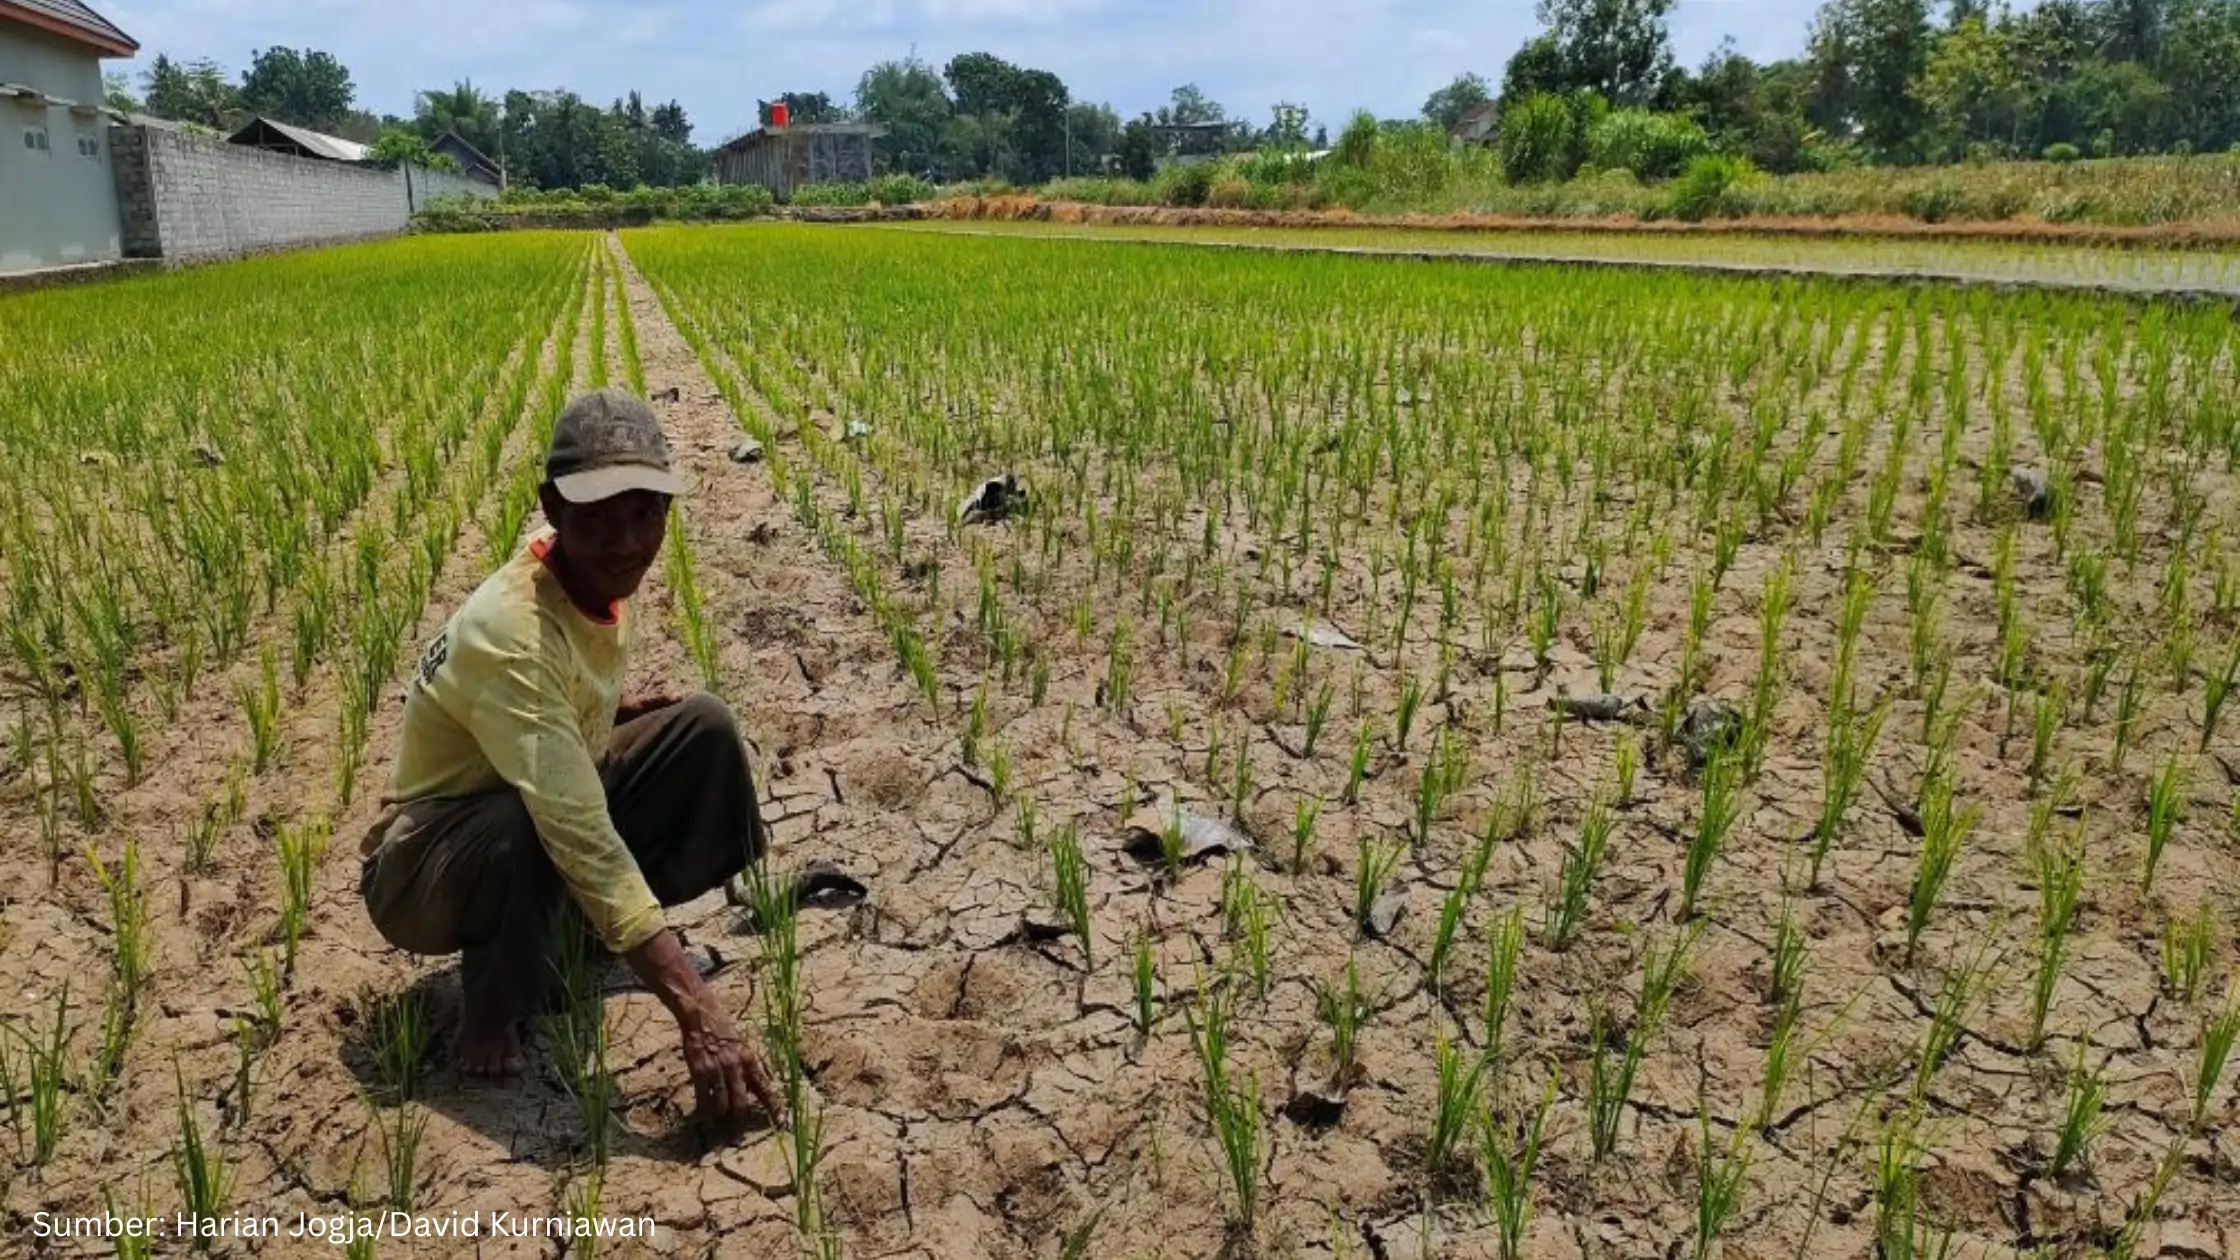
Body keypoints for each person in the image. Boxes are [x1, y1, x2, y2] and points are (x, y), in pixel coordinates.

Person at [358, 387, 783, 1126]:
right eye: (599, 517)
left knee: (701, 727)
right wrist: (696, 1009)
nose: (626, 541)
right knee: (528, 822)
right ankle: (493, 1005)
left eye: (644, 513)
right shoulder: (512, 630)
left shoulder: (589, 578)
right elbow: (577, 830)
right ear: (553, 508)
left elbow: (542, 711)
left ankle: (579, 938)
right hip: (422, 864)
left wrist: (609, 711)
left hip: (512, 791)